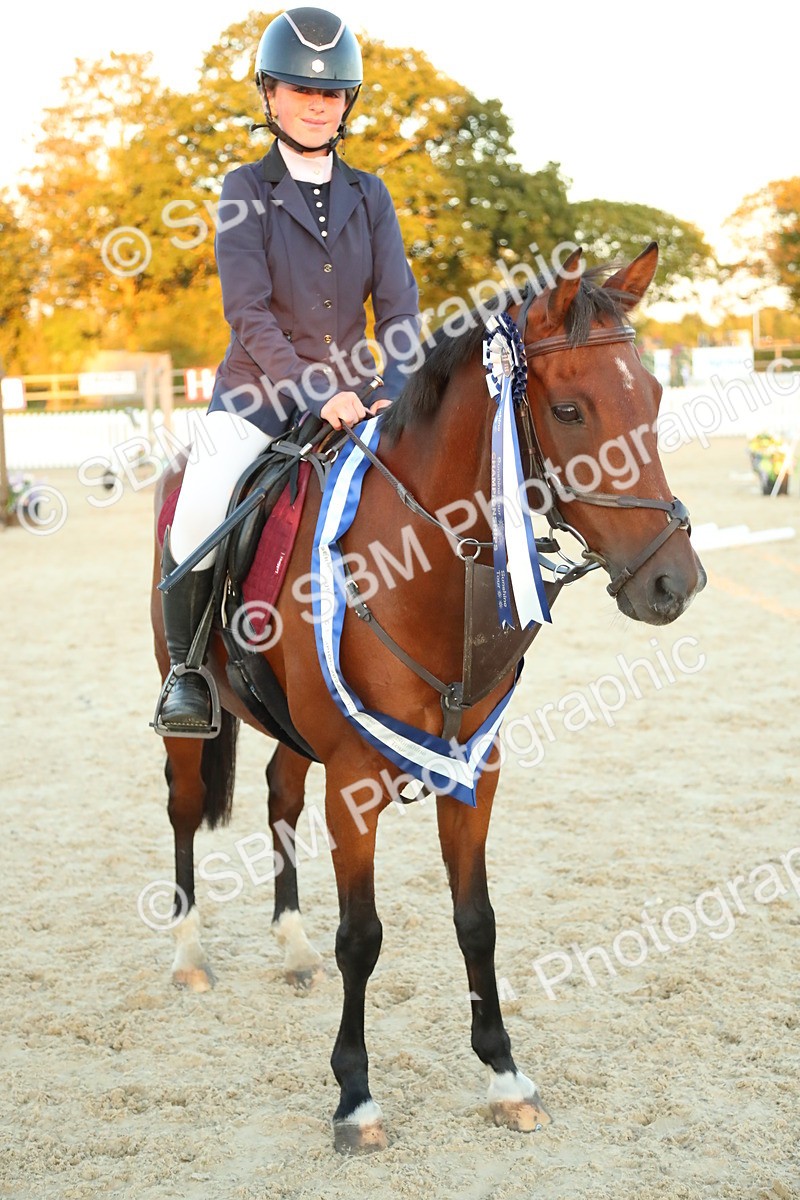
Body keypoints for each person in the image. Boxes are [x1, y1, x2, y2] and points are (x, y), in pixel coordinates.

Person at [155, 6, 420, 737]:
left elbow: (399, 308)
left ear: (346, 103)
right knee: (200, 505)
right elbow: (248, 312)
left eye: (330, 93)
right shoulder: (244, 189)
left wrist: (394, 391)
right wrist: (315, 391)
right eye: (300, 90)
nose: (316, 104)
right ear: (270, 95)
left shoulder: (370, 195)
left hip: (360, 399)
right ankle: (187, 674)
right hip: (257, 396)